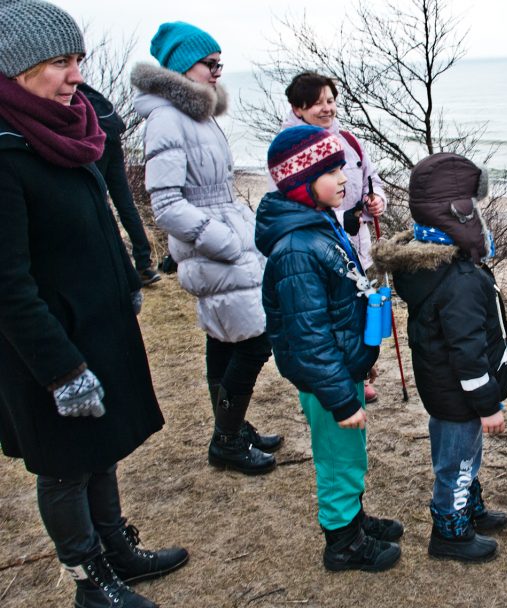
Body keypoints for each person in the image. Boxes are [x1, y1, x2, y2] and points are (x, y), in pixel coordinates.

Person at [0, 2, 188, 606]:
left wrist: (124, 277)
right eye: (59, 62)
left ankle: (117, 550)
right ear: (13, 69)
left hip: (97, 322)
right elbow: (7, 284)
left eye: (78, 59)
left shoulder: (66, 129)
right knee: (64, 465)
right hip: (47, 345)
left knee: (102, 446)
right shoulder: (6, 152)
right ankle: (89, 578)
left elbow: (97, 218)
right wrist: (61, 370)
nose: (77, 74)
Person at [131, 21, 281, 475]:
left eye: (220, 63)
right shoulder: (166, 119)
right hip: (214, 244)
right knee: (255, 340)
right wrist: (226, 242)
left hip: (228, 237)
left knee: (225, 337)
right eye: (208, 64)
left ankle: (231, 424)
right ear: (180, 66)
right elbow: (168, 204)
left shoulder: (198, 114)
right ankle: (228, 439)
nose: (218, 72)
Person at [256, 125, 402, 572]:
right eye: (332, 170)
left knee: (350, 455)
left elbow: (340, 308)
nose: (344, 178)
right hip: (327, 381)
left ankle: (353, 521)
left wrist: (361, 359)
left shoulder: (319, 224)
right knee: (338, 460)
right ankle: (342, 543)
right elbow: (308, 335)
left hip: (341, 369)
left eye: (342, 168)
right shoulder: (298, 248)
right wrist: (340, 395)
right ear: (302, 181)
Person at [372, 153, 507, 562]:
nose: (478, 217)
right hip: (459, 393)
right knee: (455, 462)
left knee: (464, 454)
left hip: (446, 387)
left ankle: (467, 506)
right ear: (456, 216)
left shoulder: (433, 266)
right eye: (472, 209)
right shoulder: (458, 280)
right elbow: (468, 354)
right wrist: (488, 404)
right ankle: (449, 532)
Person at [275, 71, 387, 404]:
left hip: (358, 247)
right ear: (297, 108)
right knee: (331, 317)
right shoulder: (289, 150)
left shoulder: (350, 141)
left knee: (362, 311)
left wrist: (377, 200)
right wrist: (343, 219)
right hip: (322, 251)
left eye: (331, 101)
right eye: (317, 103)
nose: (327, 109)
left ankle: (364, 371)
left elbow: (372, 179)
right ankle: (341, 379)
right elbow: (292, 206)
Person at [77, 82, 160, 286]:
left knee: (101, 205)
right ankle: (144, 265)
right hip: (113, 142)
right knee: (125, 204)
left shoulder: (72, 94)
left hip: (97, 145)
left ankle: (121, 266)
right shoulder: (90, 91)